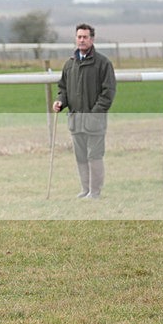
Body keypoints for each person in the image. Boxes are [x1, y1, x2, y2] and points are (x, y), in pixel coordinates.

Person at [52, 23, 116, 199]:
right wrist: (59, 101)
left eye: (85, 37)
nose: (81, 40)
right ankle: (85, 189)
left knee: (94, 155)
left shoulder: (103, 63)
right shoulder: (69, 64)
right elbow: (63, 88)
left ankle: (95, 192)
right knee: (80, 156)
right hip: (75, 119)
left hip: (95, 120)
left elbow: (108, 92)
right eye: (79, 37)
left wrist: (94, 114)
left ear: (92, 39)